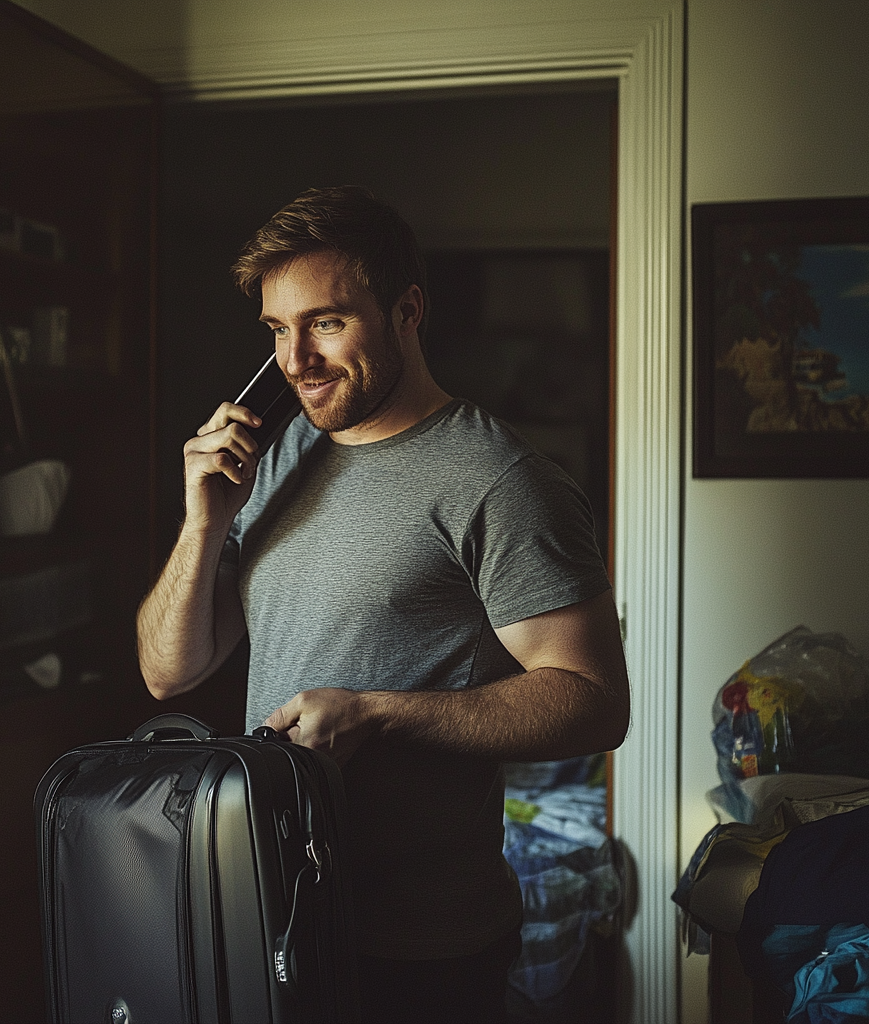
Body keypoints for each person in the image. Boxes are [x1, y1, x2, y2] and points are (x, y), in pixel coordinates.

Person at [136, 185, 630, 1024]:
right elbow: (168, 672)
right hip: (269, 912)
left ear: (407, 310)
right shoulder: (276, 457)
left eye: (325, 322)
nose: (296, 360)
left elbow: (592, 703)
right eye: (277, 331)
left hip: (423, 948)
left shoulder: (502, 483)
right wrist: (203, 524)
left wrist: (377, 713)